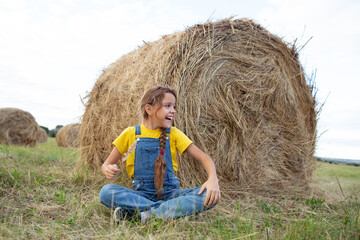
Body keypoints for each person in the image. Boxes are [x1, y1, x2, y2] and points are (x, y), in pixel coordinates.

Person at [99, 85, 221, 224]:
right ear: (149, 109)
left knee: (209, 195)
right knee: (106, 192)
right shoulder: (130, 134)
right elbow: (106, 164)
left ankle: (142, 215)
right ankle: (166, 212)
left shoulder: (174, 134)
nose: (173, 111)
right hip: (142, 195)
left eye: (174, 106)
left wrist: (213, 180)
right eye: (167, 106)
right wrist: (107, 169)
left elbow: (205, 158)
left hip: (172, 194)